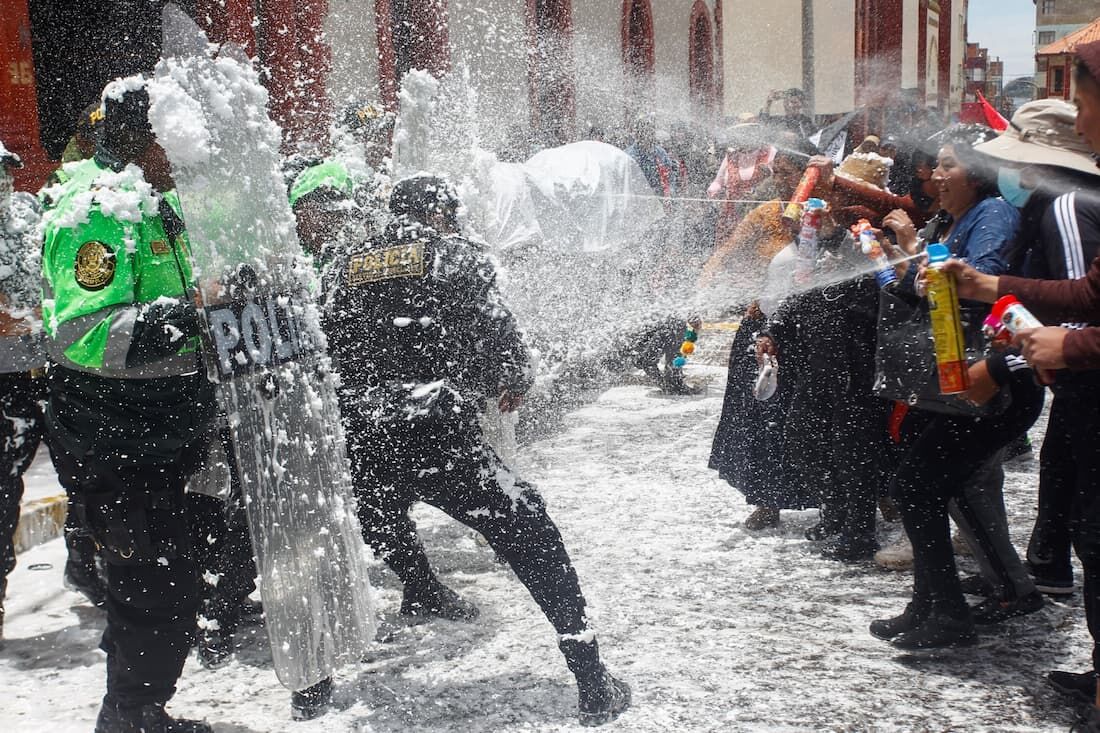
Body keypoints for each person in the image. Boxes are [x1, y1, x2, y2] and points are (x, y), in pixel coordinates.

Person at [321, 174, 631, 726]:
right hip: (436, 434)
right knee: (530, 529)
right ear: (440, 215)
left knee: (371, 517)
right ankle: (590, 676)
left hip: (362, 435)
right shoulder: (456, 258)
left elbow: (323, 346)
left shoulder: (340, 264)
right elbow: (498, 337)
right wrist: (512, 374)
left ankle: (323, 676)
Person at [40, 82, 215, 732]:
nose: (186, 152)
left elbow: (181, 300)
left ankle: (140, 706)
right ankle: (131, 715)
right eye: (177, 137)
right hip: (114, 442)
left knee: (168, 586)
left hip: (160, 437)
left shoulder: (156, 203)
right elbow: (84, 333)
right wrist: (194, 312)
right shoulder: (96, 211)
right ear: (143, 138)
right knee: (150, 591)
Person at [940, 47, 1100, 723]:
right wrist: (990, 288)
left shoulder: (1063, 206)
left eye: (1086, 101)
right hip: (1078, 390)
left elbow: (1076, 310)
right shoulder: (1054, 203)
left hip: (1089, 398)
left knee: (1092, 537)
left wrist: (1031, 352)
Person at [867, 126, 1046, 650]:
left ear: (979, 172)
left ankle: (949, 612)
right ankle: (928, 603)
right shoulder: (957, 216)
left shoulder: (993, 216)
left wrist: (913, 251)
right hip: (951, 379)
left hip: (991, 380)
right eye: (935, 166)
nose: (934, 177)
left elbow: (976, 281)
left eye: (948, 166)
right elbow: (929, 283)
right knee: (924, 486)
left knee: (919, 488)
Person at [0, 144, 46, 642]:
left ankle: (87, 562)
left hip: (46, 367)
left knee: (86, 473)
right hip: (4, 376)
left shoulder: (27, 214)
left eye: (7, 174)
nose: (4, 184)